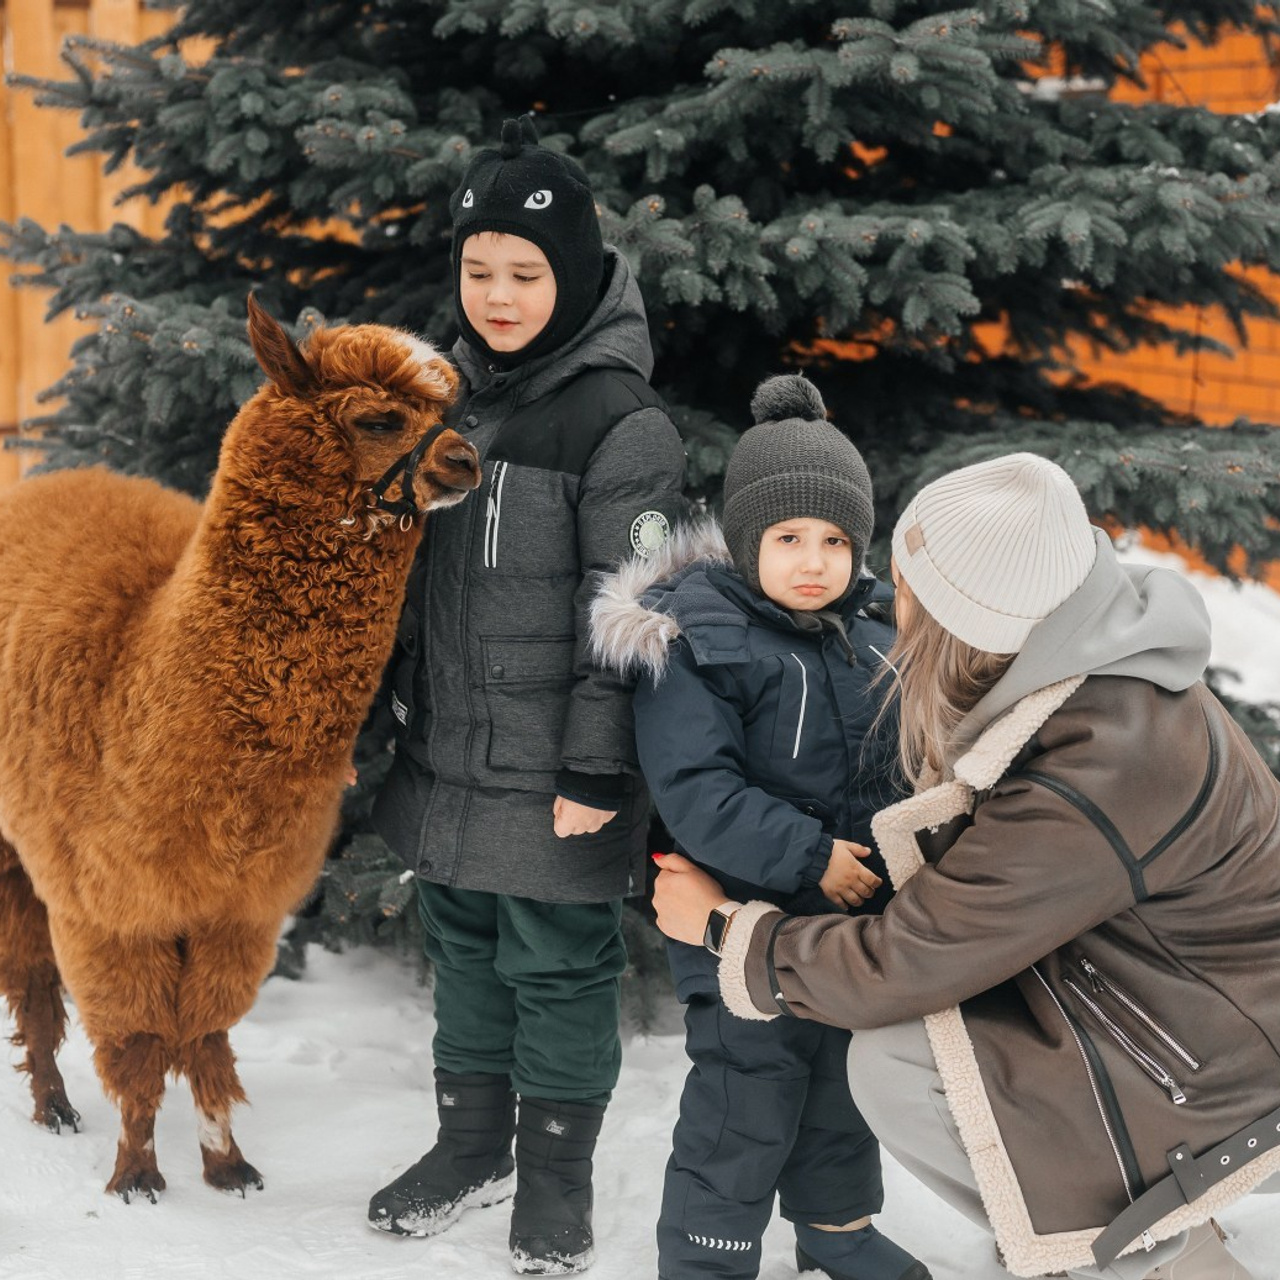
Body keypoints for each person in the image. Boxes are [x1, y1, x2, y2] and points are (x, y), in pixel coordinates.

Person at [651, 453, 1280, 1280]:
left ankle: (1139, 1249)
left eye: (907, 589)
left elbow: (904, 963)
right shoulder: (1082, 658)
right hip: (1172, 1002)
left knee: (894, 1063)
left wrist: (725, 926)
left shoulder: (1101, 762)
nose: (882, 600)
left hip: (1204, 1066)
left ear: (967, 616)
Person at [367, 115, 687, 1276]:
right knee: (461, 944)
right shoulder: (449, 395)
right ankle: (470, 1145)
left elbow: (632, 606)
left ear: (582, 275)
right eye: (478, 270)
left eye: (526, 272)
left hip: (554, 757)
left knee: (556, 961)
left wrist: (595, 764)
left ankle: (553, 1176)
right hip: (449, 742)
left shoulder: (617, 420)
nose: (499, 294)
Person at [590, 373, 929, 1280]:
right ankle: (708, 1256)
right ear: (746, 542)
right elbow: (697, 787)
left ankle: (837, 1229)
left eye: (834, 540)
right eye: (787, 539)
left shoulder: (875, 639)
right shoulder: (699, 640)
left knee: (840, 1082)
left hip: (847, 915)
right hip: (736, 912)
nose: (813, 560)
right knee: (752, 1089)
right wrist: (810, 855)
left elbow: (899, 768)